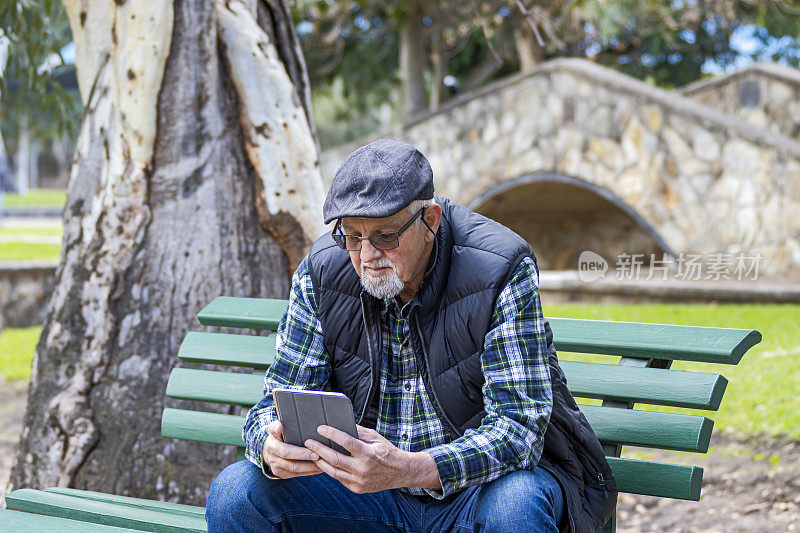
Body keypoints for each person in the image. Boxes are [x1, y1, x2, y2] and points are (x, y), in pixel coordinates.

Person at [206, 138, 617, 532]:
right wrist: (268, 443)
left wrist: (411, 468)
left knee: (515, 508)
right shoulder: (322, 273)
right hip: (367, 494)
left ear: (430, 221)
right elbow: (272, 404)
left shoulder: (501, 268)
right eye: (352, 236)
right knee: (236, 493)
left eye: (385, 235)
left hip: (479, 490)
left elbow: (519, 430)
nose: (367, 256)